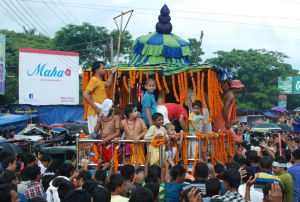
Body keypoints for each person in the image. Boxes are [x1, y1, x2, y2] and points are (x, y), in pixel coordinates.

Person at [83, 61, 118, 138]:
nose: (105, 70)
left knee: (101, 135)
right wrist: (96, 108)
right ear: (96, 70)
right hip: (95, 110)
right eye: (103, 68)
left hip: (101, 110)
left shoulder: (100, 81)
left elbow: (108, 84)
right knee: (95, 135)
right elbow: (85, 94)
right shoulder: (94, 80)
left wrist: (112, 73)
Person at [94, 99, 121, 163]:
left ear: (111, 110)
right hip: (101, 142)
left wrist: (107, 139)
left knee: (111, 162)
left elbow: (117, 133)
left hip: (110, 142)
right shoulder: (101, 116)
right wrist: (99, 119)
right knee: (99, 161)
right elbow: (95, 131)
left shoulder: (115, 117)